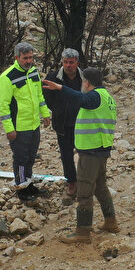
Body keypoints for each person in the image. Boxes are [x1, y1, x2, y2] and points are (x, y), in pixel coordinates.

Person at [44, 68, 118, 243]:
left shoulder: (95, 96)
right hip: (101, 149)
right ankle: (110, 222)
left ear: (86, 82)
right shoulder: (107, 97)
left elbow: (81, 98)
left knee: (84, 192)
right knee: (100, 186)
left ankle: (83, 232)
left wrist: (60, 88)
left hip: (91, 151)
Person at [0, 42, 51, 198]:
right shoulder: (7, 78)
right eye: (25, 58)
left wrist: (45, 114)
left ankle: (29, 185)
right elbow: (4, 107)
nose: (28, 61)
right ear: (16, 58)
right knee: (21, 159)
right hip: (19, 128)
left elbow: (39, 96)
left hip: (34, 125)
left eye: (30, 58)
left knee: (30, 157)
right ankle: (22, 188)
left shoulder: (34, 72)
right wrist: (9, 129)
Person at [44, 48, 83, 200]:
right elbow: (47, 98)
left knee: (85, 153)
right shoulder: (53, 77)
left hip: (82, 123)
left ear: (77, 63)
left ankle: (85, 180)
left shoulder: (84, 76)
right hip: (63, 124)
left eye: (71, 62)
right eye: (65, 62)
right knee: (66, 154)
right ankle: (71, 181)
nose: (68, 65)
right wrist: (58, 109)